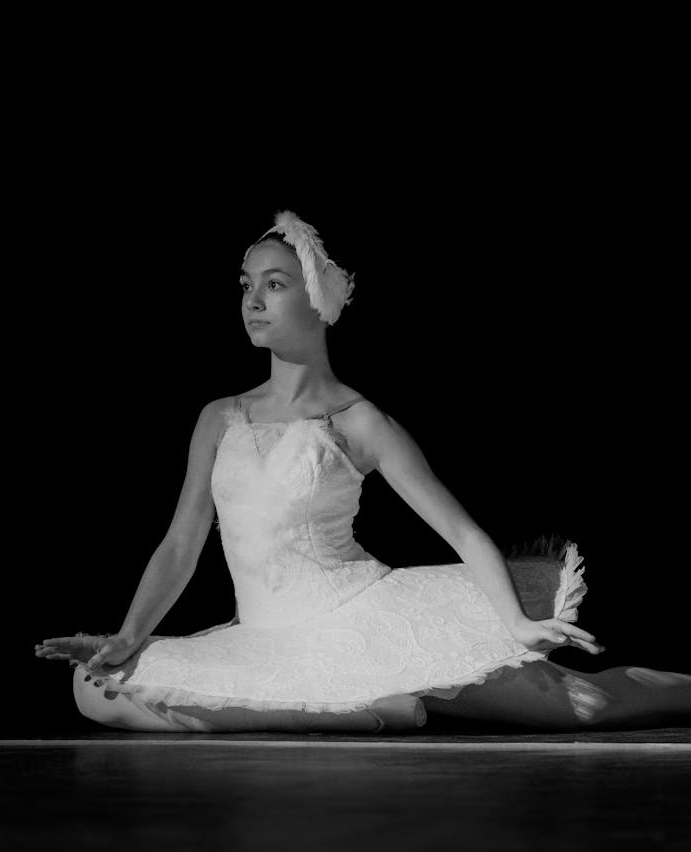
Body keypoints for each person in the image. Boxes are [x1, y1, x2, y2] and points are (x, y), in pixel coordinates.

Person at [35, 210, 691, 734]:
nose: (253, 300)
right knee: (94, 686)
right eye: (245, 284)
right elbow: (182, 543)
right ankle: (367, 709)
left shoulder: (357, 420)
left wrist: (516, 624)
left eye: (275, 284)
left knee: (582, 706)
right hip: (270, 640)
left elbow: (461, 533)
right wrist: (128, 634)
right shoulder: (219, 418)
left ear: (317, 300)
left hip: (367, 620)